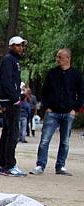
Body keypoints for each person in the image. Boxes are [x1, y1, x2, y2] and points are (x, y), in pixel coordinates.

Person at [30, 48, 84, 176]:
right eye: (57, 57)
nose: (57, 59)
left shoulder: (76, 75)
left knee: (65, 141)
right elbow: (44, 92)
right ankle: (40, 165)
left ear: (67, 58)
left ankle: (60, 166)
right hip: (52, 111)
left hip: (68, 112)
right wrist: (46, 106)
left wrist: (75, 109)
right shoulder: (52, 73)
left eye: (60, 57)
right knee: (45, 139)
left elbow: (81, 94)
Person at [0, 36, 27, 177]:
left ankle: (4, 163)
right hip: (10, 101)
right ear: (11, 46)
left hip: (10, 99)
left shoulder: (14, 61)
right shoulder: (9, 60)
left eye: (22, 45)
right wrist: (15, 97)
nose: (21, 48)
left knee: (8, 132)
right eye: (18, 45)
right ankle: (9, 164)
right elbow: (6, 81)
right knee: (12, 133)